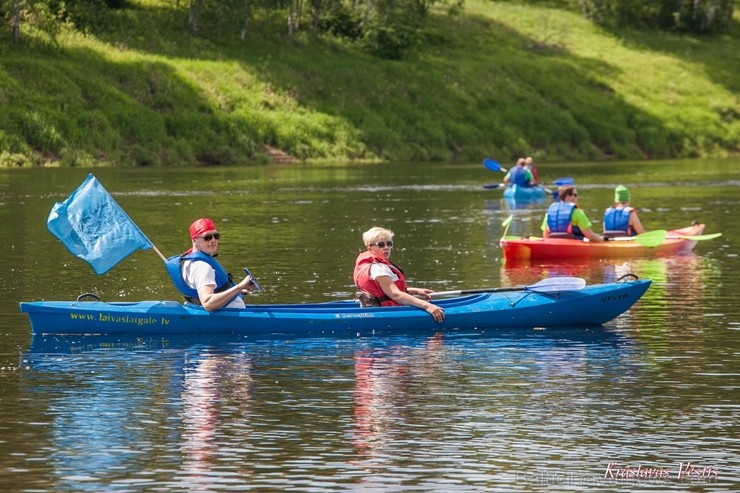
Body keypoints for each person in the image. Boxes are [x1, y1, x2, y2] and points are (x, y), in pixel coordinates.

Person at [353, 227, 445, 322]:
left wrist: (415, 291)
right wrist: (428, 306)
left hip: (380, 309)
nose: (386, 247)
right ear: (370, 248)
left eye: (389, 244)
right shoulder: (378, 268)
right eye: (381, 244)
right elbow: (395, 295)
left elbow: (385, 291)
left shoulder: (374, 266)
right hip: (388, 313)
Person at [165, 218, 256, 311]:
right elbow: (208, 303)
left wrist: (238, 291)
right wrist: (239, 286)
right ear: (195, 240)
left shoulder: (190, 261)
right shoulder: (202, 267)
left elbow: (203, 293)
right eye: (207, 237)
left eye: (216, 236)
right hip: (229, 319)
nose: (213, 240)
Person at [541, 185, 605, 242]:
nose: (577, 197)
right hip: (575, 245)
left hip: (553, 244)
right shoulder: (577, 212)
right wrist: (602, 239)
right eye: (575, 195)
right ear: (568, 197)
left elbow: (545, 236)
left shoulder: (549, 213)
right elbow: (590, 236)